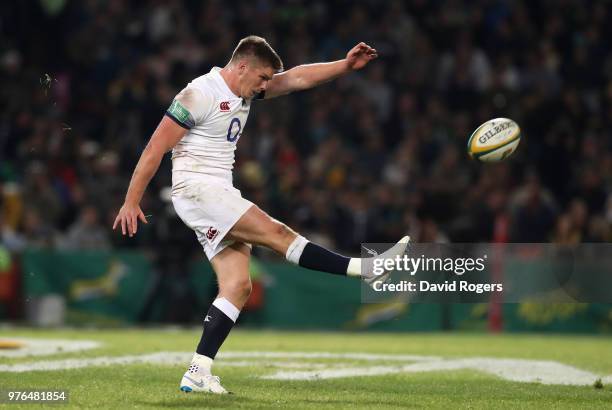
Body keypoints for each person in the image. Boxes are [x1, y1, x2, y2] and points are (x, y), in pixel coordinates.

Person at [113, 35, 409, 394]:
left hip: (216, 191)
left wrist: (345, 65)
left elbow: (298, 78)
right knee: (278, 234)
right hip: (198, 189)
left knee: (238, 286)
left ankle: (198, 370)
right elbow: (155, 149)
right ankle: (366, 269)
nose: (268, 85)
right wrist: (132, 201)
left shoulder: (245, 89)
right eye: (264, 77)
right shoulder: (199, 93)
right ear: (242, 67)